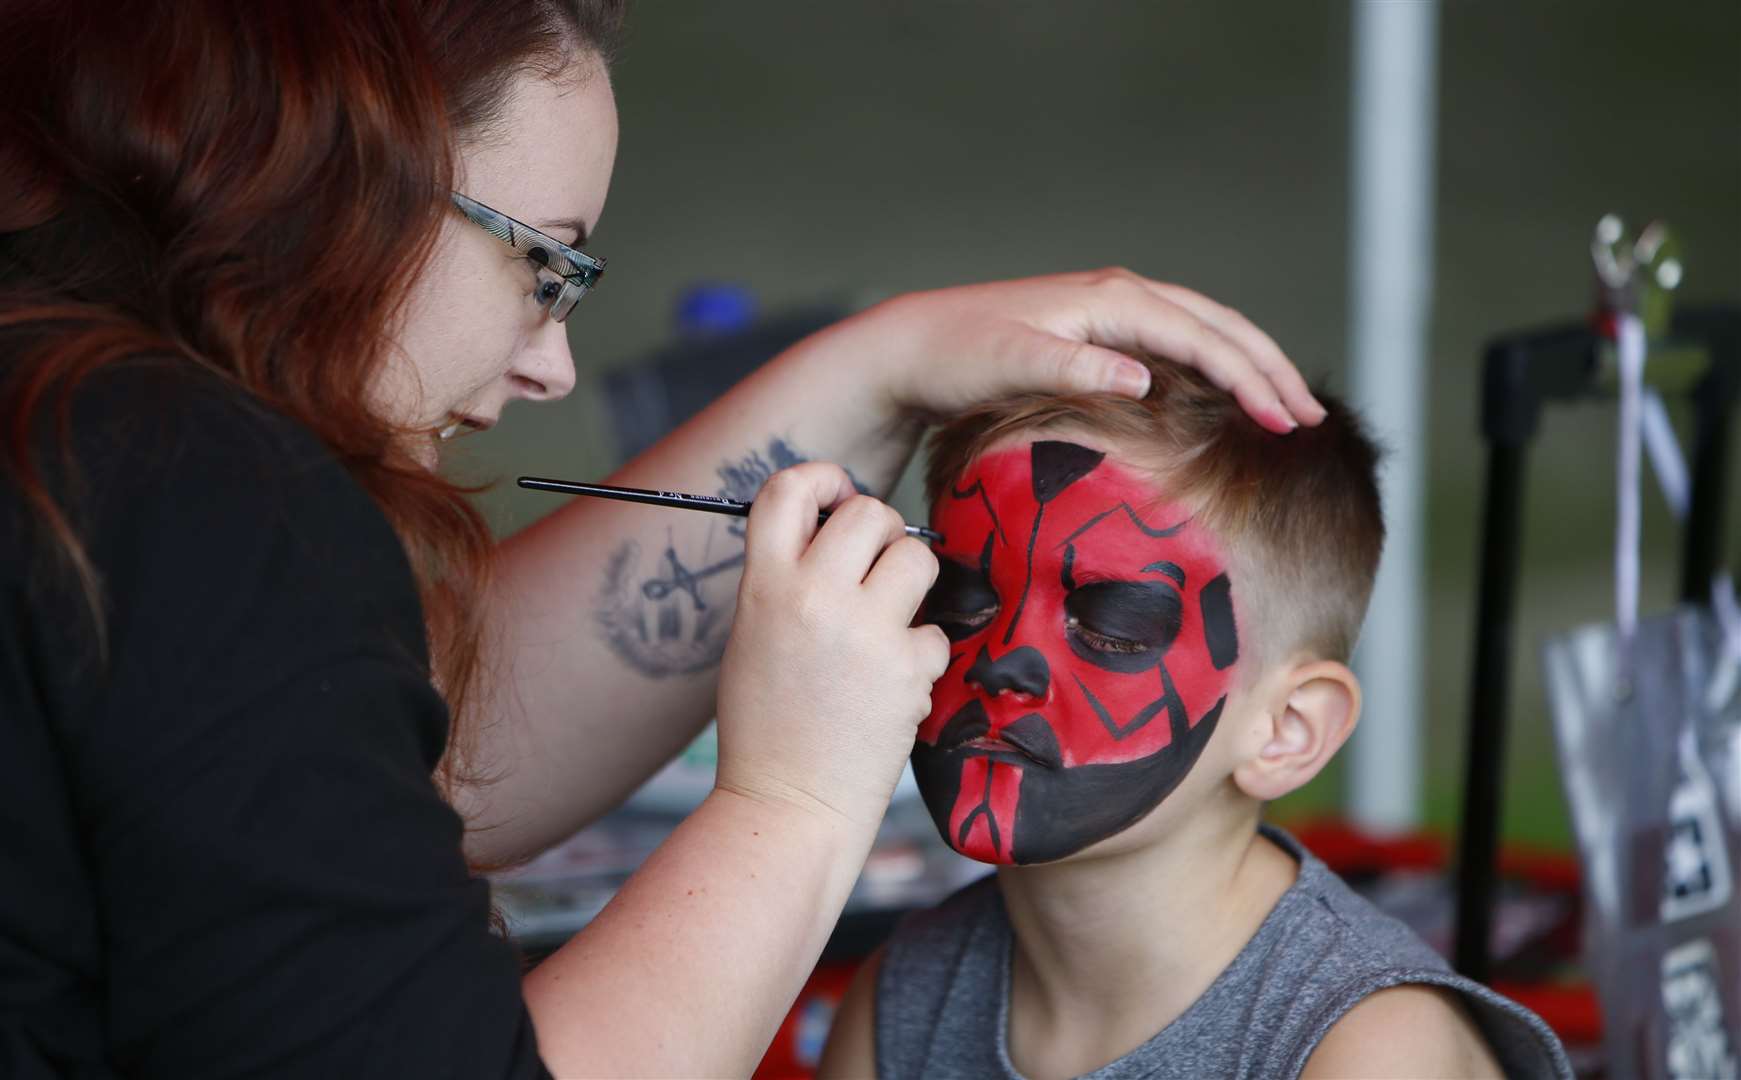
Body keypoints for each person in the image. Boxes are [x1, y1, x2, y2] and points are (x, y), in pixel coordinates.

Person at [0, 2, 1325, 1076]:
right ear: (341, 175)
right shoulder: (195, 487)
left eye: (1110, 612)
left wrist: (881, 368)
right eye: (547, 265)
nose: (553, 365)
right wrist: (794, 799)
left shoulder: (81, 422)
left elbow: (409, 766)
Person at [819, 361, 1575, 1079]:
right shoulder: (903, 999)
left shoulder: (1362, 1047)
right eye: (962, 604)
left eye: (1113, 626)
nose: (1002, 661)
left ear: (1286, 728)